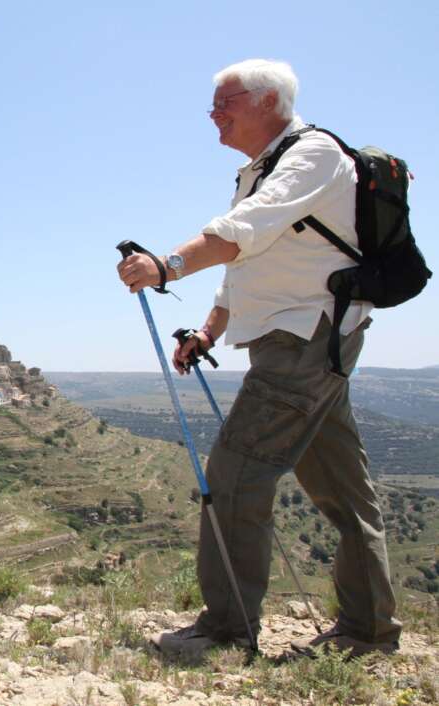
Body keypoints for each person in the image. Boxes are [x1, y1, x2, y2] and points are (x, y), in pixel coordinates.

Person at [117, 60, 400, 659]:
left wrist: (167, 266)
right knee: (345, 494)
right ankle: (369, 633)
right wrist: (209, 331)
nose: (214, 114)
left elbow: (241, 232)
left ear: (270, 101)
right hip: (314, 341)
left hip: (304, 344)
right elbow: (247, 269)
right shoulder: (262, 169)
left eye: (227, 102)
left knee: (235, 477)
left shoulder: (312, 154)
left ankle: (227, 628)